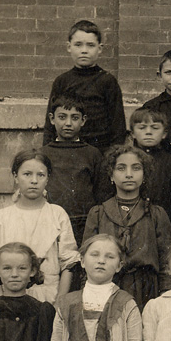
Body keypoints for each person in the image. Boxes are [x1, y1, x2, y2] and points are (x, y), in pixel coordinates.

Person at [0, 150, 80, 304]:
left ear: (48, 178)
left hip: (49, 296)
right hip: (10, 296)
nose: (34, 181)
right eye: (27, 174)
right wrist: (1, 302)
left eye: (41, 175)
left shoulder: (57, 214)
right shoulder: (2, 217)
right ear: (16, 177)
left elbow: (69, 262)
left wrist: (59, 303)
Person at [84, 143, 171, 313]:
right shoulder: (98, 213)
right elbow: (87, 259)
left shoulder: (156, 214)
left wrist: (165, 298)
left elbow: (165, 261)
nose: (129, 174)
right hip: (106, 286)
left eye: (136, 168)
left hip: (146, 290)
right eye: (121, 168)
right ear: (111, 175)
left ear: (144, 175)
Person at [43, 20, 125, 152]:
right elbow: (50, 124)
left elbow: (117, 126)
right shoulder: (62, 81)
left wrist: (114, 157)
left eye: (90, 45)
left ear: (100, 48)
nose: (84, 51)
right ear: (69, 47)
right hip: (67, 148)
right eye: (78, 45)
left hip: (99, 150)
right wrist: (47, 153)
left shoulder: (107, 81)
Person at [41, 95, 109, 241]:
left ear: (83, 120)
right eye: (62, 117)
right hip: (50, 220)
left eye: (75, 118)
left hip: (84, 223)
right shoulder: (43, 154)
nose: (68, 123)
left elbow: (102, 192)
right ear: (52, 119)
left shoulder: (92, 154)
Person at [127, 106, 171, 234]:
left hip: (162, 225)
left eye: (155, 128)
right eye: (142, 128)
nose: (148, 132)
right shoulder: (125, 161)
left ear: (164, 133)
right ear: (132, 134)